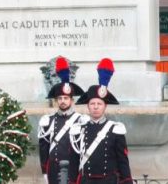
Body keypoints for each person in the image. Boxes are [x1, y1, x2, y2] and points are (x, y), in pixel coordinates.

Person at [68, 58, 132, 184]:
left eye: (99, 104)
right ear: (88, 106)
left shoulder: (115, 130)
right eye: (92, 103)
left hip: (109, 181)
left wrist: (127, 181)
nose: (96, 107)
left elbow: (123, 162)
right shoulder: (78, 130)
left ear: (105, 106)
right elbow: (74, 162)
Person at [38, 56, 87, 184]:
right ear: (56, 101)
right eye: (60, 98)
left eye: (66, 98)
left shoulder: (82, 121)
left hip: (75, 169)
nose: (63, 101)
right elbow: (43, 148)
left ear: (72, 100)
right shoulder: (47, 121)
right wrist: (44, 171)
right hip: (54, 170)